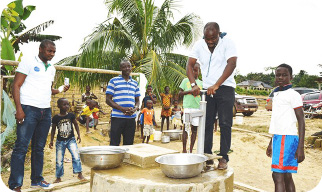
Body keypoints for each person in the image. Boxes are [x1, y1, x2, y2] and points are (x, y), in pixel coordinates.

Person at [9, 40, 69, 191]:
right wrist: (19, 109)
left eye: (54, 52)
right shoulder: (28, 61)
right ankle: (15, 184)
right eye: (49, 51)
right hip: (28, 109)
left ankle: (37, 179)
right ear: (41, 49)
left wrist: (61, 89)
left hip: (45, 111)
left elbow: (48, 89)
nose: (52, 54)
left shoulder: (52, 69)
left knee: (39, 148)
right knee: (21, 147)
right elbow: (15, 85)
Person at [186, 22, 237, 169]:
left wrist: (217, 84)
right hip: (207, 89)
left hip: (226, 87)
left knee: (225, 123)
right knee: (206, 123)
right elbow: (189, 64)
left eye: (213, 38)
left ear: (219, 34)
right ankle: (207, 156)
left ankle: (223, 157)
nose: (210, 42)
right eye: (207, 39)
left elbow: (232, 63)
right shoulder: (199, 45)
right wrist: (194, 84)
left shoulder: (228, 43)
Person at [266, 64, 305, 192]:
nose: (280, 77)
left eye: (284, 75)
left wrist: (300, 147)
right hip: (279, 137)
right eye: (278, 75)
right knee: (286, 175)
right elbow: (278, 122)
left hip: (287, 138)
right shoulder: (277, 94)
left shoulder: (293, 95)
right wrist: (271, 142)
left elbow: (301, 120)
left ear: (291, 77)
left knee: (277, 175)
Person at [49, 98, 86, 184]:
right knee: (59, 160)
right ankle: (58, 177)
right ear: (58, 106)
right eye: (64, 104)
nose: (67, 106)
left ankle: (79, 173)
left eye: (67, 104)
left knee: (76, 156)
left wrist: (79, 135)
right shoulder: (55, 118)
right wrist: (51, 141)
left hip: (71, 140)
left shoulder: (71, 115)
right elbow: (53, 130)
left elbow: (76, 124)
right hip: (60, 142)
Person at [106, 59, 140, 146]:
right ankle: (114, 159)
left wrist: (135, 109)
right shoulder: (113, 81)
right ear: (120, 68)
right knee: (114, 143)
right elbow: (108, 99)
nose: (127, 68)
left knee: (129, 143)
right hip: (117, 117)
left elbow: (137, 100)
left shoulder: (135, 83)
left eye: (129, 66)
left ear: (131, 68)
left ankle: (126, 160)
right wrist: (122, 109)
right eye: (124, 67)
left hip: (131, 118)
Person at [179, 62, 202, 153]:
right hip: (188, 108)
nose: (194, 72)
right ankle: (184, 149)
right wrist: (190, 91)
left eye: (196, 70)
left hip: (197, 108)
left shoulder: (201, 83)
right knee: (186, 128)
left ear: (199, 71)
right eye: (192, 70)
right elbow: (180, 93)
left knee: (194, 129)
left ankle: (191, 149)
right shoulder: (185, 81)